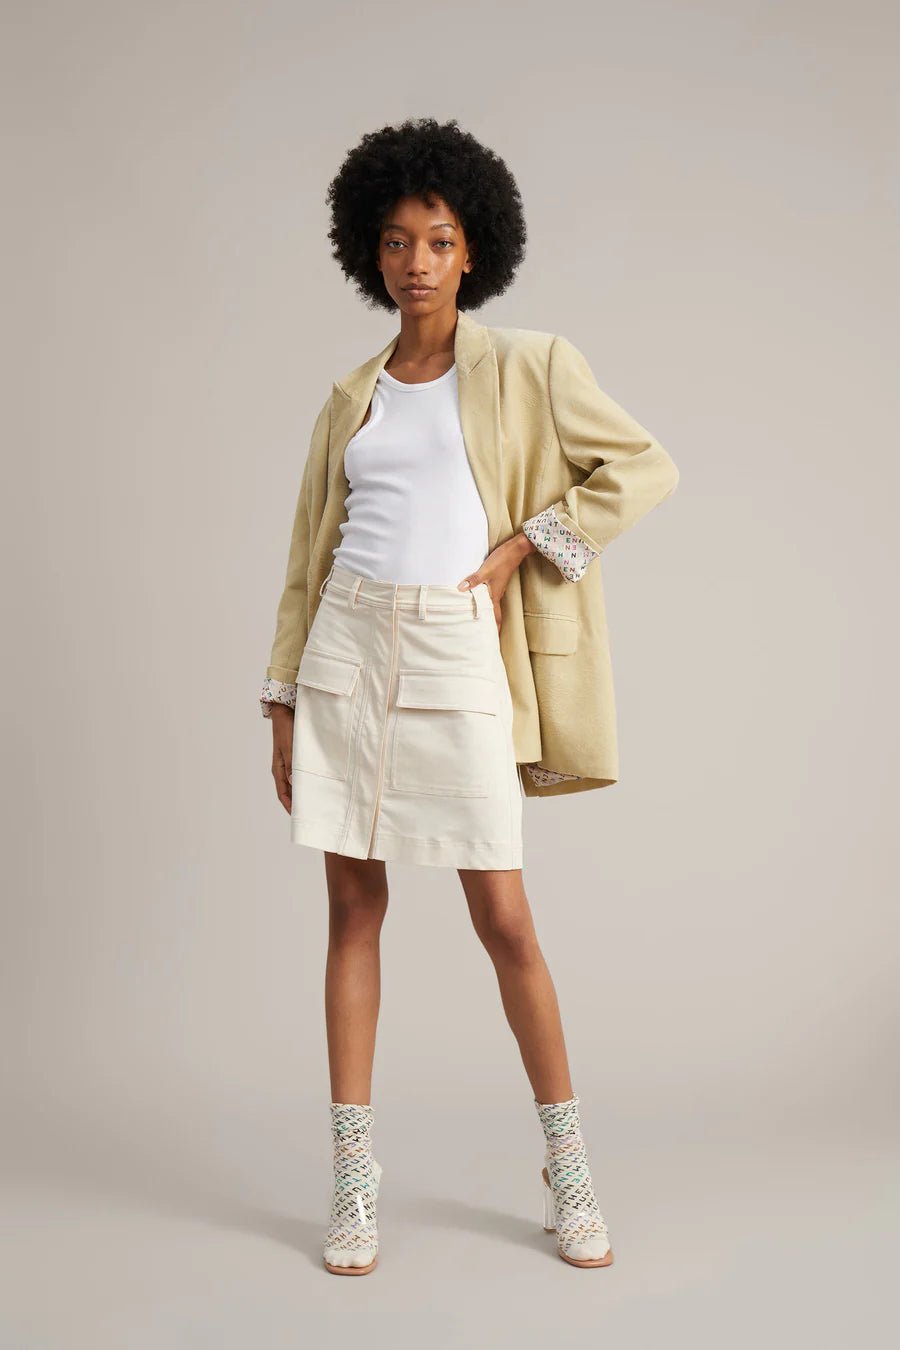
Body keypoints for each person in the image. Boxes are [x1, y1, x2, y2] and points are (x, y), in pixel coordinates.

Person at [259, 117, 679, 1275]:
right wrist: (282, 698)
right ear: (371, 251)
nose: (417, 262)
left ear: (474, 250)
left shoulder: (529, 366)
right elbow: (307, 558)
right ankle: (354, 1180)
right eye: (397, 241)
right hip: (347, 646)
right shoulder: (350, 396)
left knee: (504, 921)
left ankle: (568, 1168)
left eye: (439, 240)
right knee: (353, 913)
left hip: (457, 648)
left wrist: (520, 550)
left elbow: (643, 466)